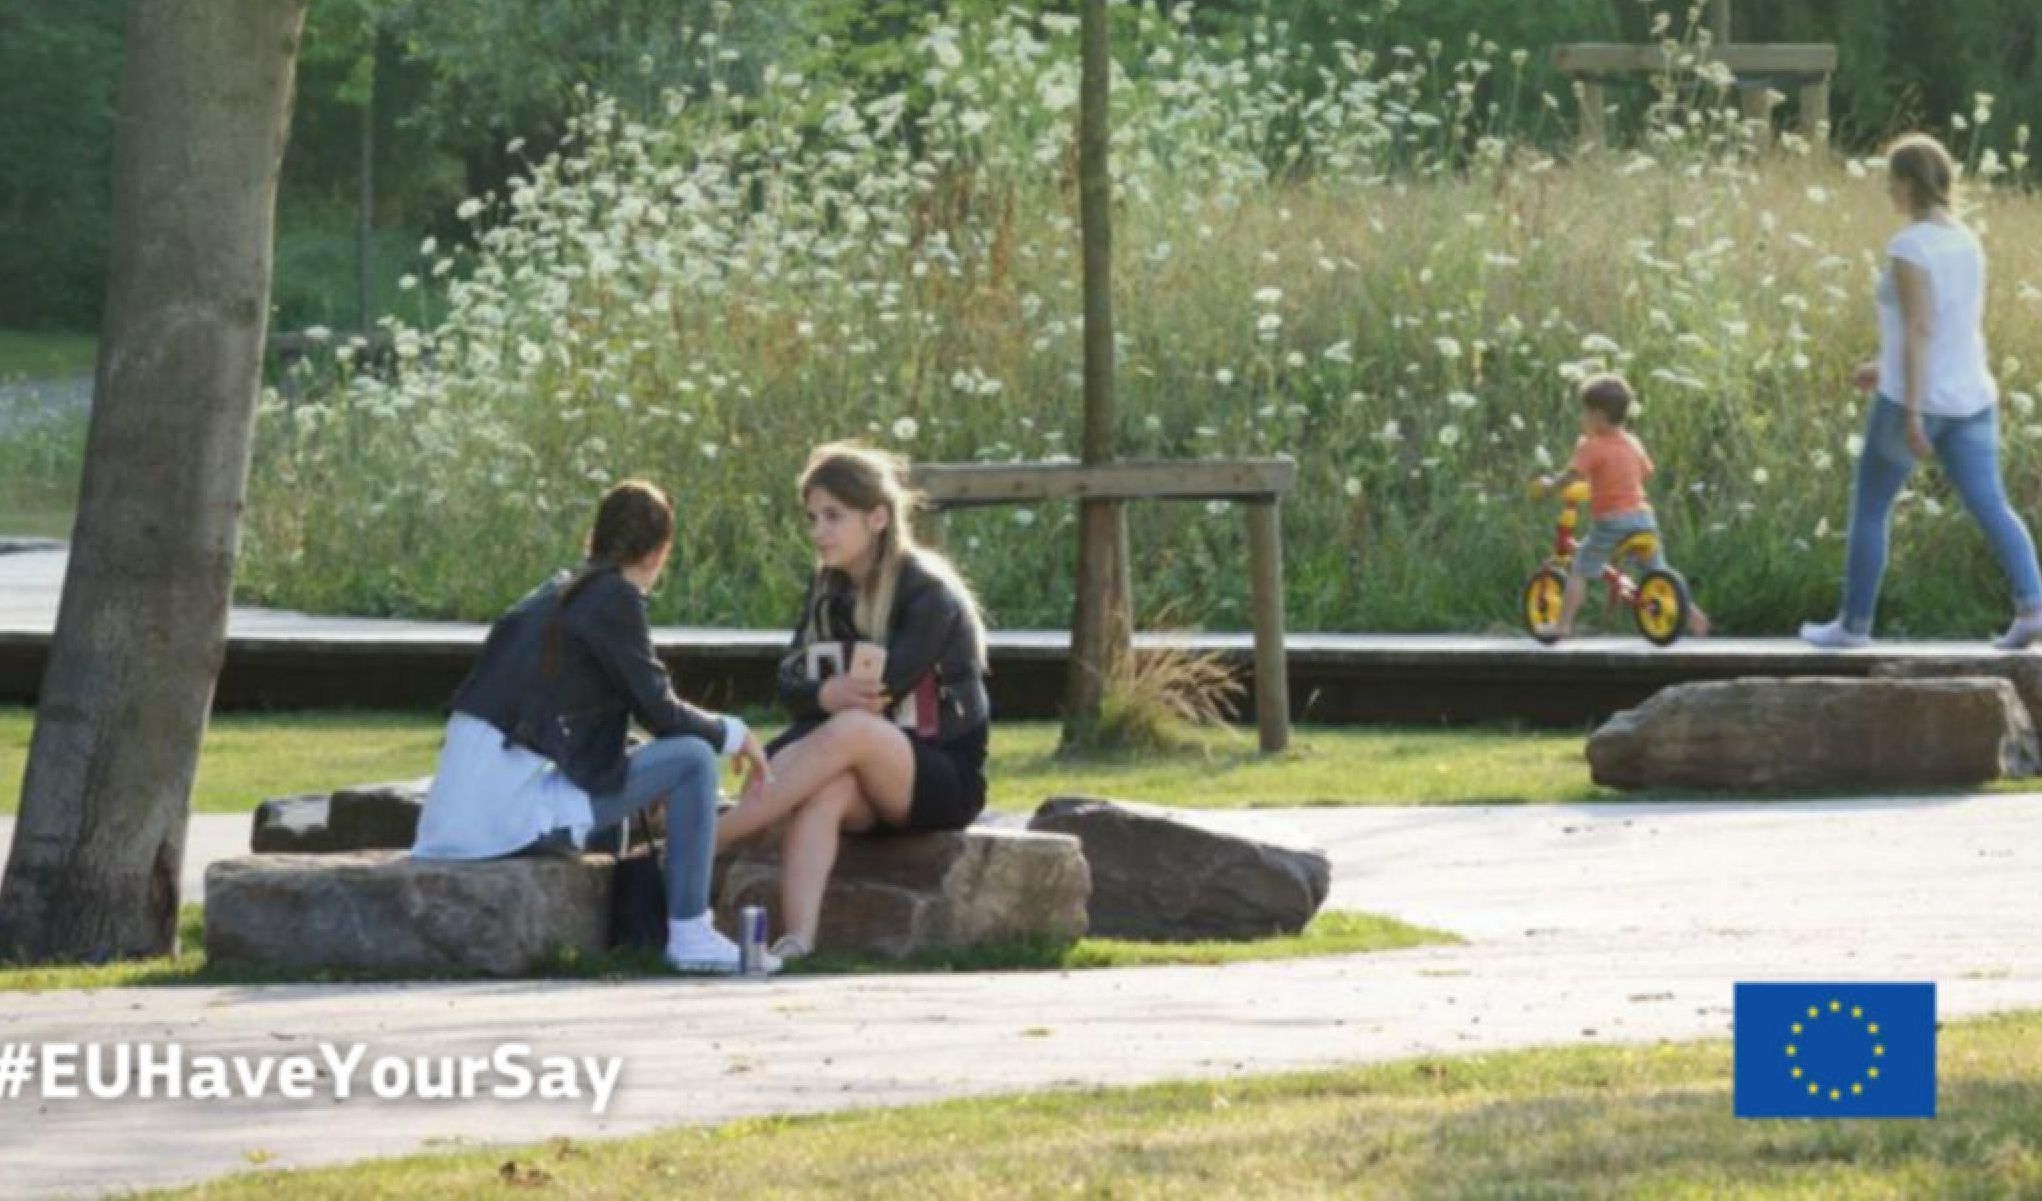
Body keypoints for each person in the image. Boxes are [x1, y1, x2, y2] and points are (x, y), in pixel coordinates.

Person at [411, 480, 776, 975]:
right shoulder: (613, 599)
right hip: (503, 823)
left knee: (649, 754)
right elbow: (662, 712)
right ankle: (690, 933)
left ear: (595, 538)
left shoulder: (557, 593)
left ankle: (653, 930)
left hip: (453, 821)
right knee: (692, 760)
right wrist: (736, 734)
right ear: (659, 553)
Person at [714, 443, 991, 961]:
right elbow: (789, 681)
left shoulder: (929, 595)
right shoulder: (828, 588)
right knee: (828, 789)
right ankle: (798, 941)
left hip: (940, 776)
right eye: (813, 517)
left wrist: (825, 705)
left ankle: (711, 838)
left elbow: (878, 695)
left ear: (878, 518)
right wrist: (821, 694)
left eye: (834, 516)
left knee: (853, 729)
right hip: (864, 772)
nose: (819, 531)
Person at [1800, 133, 2042, 650]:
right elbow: (1953, 322)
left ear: (1910, 184)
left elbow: (1921, 326)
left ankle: (1853, 626)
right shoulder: (1968, 240)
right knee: (1992, 505)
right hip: (1972, 397)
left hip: (1915, 399)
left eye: (1893, 181)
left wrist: (1911, 410)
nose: (1889, 190)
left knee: (1871, 508)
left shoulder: (1909, 246)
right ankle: (2033, 608)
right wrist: (1883, 364)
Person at [1534, 373, 1710, 640]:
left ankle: (1563, 625)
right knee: (1657, 570)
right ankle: (1694, 618)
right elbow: (1646, 472)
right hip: (1643, 519)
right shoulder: (1632, 442)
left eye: (1585, 412)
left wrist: (1549, 486)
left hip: (1612, 521)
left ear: (1597, 416)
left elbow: (1571, 476)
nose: (1582, 418)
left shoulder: (1592, 447)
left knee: (1580, 568)